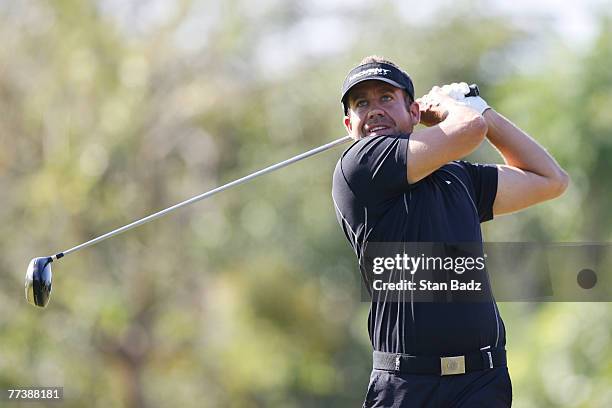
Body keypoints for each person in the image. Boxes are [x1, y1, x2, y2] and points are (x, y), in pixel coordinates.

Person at [331, 56, 569, 407]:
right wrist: (451, 109)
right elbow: (469, 131)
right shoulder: (359, 166)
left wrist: (482, 110)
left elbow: (550, 180)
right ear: (349, 123)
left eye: (386, 98)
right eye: (362, 103)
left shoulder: (458, 176)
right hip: (407, 385)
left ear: (413, 112)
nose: (374, 109)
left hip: (481, 383)